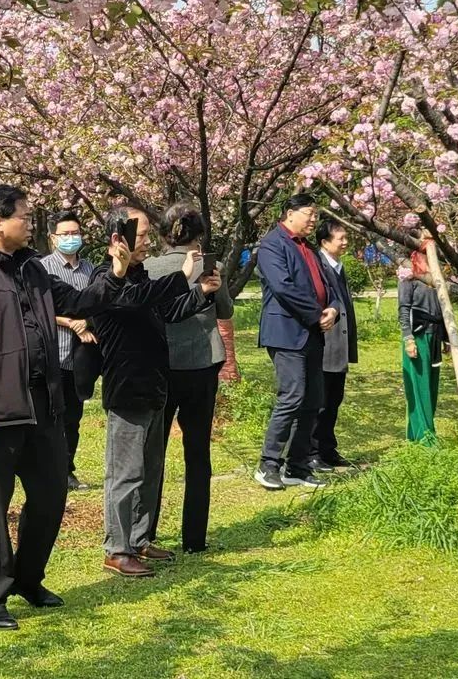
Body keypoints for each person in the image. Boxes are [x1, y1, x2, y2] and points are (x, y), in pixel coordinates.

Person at [0, 185, 133, 631]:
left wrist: (115, 273)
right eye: (25, 216)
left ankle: (28, 578)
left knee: (50, 497)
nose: (31, 223)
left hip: (45, 407)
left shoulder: (33, 270)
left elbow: (79, 303)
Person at [90, 205, 222, 577]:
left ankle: (139, 538)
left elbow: (165, 311)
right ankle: (116, 549)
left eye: (148, 234)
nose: (148, 241)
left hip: (155, 384)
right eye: (142, 235)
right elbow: (134, 303)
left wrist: (201, 292)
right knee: (125, 473)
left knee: (149, 468)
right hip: (128, 387)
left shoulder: (140, 274)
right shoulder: (106, 281)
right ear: (119, 240)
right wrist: (181, 276)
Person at [143, 203, 235, 554]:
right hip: (200, 365)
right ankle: (194, 538)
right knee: (197, 453)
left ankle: (145, 532)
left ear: (162, 234)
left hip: (161, 367)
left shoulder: (149, 268)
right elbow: (224, 311)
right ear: (199, 235)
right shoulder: (210, 267)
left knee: (154, 452)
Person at [254, 193, 339, 491]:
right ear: (290, 213)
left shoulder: (309, 248)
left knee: (314, 400)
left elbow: (329, 285)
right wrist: (317, 314)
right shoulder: (272, 245)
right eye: (309, 213)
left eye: (315, 213)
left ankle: (298, 465)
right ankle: (269, 464)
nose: (313, 219)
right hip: (286, 332)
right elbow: (283, 287)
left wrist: (333, 309)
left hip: (313, 332)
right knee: (292, 396)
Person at [39, 208, 97, 491]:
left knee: (73, 417)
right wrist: (69, 323)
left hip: (81, 357)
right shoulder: (43, 268)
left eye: (75, 233)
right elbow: (35, 310)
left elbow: (98, 304)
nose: (71, 238)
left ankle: (68, 470)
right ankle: (48, 470)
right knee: (52, 417)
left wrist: (87, 322)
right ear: (53, 238)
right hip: (53, 353)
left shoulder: (90, 269)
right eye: (65, 234)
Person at [310, 218, 359, 472]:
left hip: (339, 344)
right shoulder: (317, 266)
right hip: (325, 342)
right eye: (340, 238)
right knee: (320, 400)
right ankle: (313, 450)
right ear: (324, 242)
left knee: (334, 399)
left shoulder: (338, 266)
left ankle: (328, 448)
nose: (345, 242)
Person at [398, 246, 448, 443]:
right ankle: (426, 438)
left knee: (431, 388)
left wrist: (445, 338)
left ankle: (417, 434)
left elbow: (443, 307)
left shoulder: (437, 275)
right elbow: (404, 309)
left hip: (434, 335)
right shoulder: (408, 274)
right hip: (417, 336)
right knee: (419, 389)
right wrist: (408, 339)